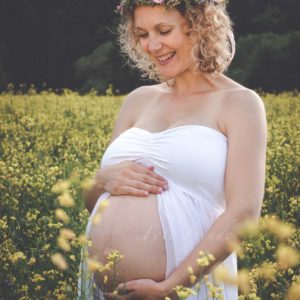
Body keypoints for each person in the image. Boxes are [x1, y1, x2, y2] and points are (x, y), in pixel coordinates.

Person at [78, 0, 268, 299]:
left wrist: (172, 285)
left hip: (185, 289)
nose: (152, 46)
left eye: (163, 30)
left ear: (199, 26)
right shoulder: (138, 100)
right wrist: (100, 181)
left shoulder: (240, 103)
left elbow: (244, 213)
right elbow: (94, 203)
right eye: (142, 34)